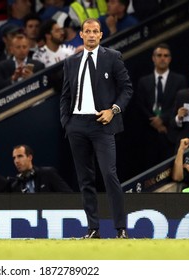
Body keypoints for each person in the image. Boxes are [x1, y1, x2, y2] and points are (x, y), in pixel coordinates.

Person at [60, 18, 132, 239]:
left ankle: (120, 229)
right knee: (85, 179)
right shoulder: (71, 62)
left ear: (101, 35)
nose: (91, 35)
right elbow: (65, 95)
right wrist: (67, 122)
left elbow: (127, 88)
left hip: (103, 124)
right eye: (87, 31)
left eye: (95, 31)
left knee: (109, 174)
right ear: (81, 34)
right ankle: (93, 229)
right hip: (77, 125)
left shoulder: (112, 58)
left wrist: (114, 110)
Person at [133, 43, 187, 166]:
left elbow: (179, 104)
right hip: (148, 135)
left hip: (170, 133)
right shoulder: (144, 81)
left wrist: (162, 119)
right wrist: (155, 123)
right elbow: (140, 106)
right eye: (159, 55)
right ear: (153, 58)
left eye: (166, 56)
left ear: (170, 59)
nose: (162, 58)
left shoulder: (179, 80)